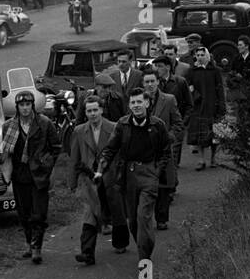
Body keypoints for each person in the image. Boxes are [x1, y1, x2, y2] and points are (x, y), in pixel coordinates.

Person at [95, 90, 171, 261]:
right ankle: (143, 246)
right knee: (134, 222)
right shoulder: (123, 124)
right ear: (129, 106)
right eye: (132, 103)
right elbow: (111, 148)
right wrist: (102, 166)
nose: (136, 106)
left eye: (139, 102)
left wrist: (157, 171)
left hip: (149, 172)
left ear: (147, 103)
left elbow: (166, 151)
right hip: (128, 175)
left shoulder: (157, 125)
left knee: (143, 216)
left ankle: (144, 258)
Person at [2, 91, 62, 264]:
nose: (25, 108)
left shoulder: (44, 123)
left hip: (39, 174)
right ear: (17, 107)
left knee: (39, 213)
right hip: (19, 175)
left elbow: (56, 147)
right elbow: (3, 150)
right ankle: (29, 242)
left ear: (33, 105)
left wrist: (46, 162)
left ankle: (37, 248)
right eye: (22, 105)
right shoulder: (9, 126)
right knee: (24, 212)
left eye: (28, 104)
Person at [67, 95, 118, 266]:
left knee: (114, 209)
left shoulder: (113, 128)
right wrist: (72, 182)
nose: (93, 114)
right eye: (89, 111)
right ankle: (87, 252)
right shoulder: (79, 131)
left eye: (96, 110)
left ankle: (120, 241)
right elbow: (74, 158)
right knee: (90, 213)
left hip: (109, 177)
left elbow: (119, 155)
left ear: (102, 110)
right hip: (89, 180)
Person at [139, 69, 182, 230]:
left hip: (163, 151)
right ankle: (146, 217)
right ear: (142, 84)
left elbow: (178, 123)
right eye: (146, 82)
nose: (150, 85)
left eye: (152, 81)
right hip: (143, 151)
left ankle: (162, 218)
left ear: (158, 82)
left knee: (163, 186)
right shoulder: (137, 101)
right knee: (146, 185)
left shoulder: (169, 100)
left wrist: (168, 137)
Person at [185, 45, 225, 169]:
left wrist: (221, 104)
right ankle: (201, 160)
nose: (200, 57)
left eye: (202, 55)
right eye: (198, 55)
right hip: (198, 107)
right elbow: (188, 87)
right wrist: (194, 96)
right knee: (200, 136)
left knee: (214, 136)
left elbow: (220, 88)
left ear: (207, 55)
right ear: (195, 57)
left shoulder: (215, 70)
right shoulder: (192, 71)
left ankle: (213, 159)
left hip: (213, 105)